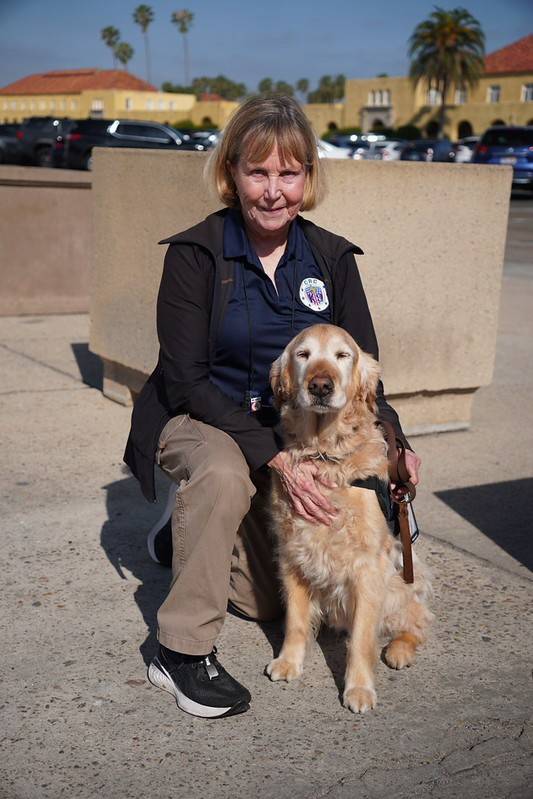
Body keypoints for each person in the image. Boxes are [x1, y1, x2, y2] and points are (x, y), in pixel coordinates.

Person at [124, 95, 421, 719]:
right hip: (203, 416)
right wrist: (278, 460)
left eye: (288, 173)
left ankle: (193, 532)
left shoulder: (332, 258)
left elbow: (362, 370)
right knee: (223, 473)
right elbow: (186, 379)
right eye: (257, 172)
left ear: (308, 177)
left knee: (264, 602)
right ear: (231, 172)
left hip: (287, 428)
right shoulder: (196, 255)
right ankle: (179, 652)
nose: (273, 191)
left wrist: (396, 444)